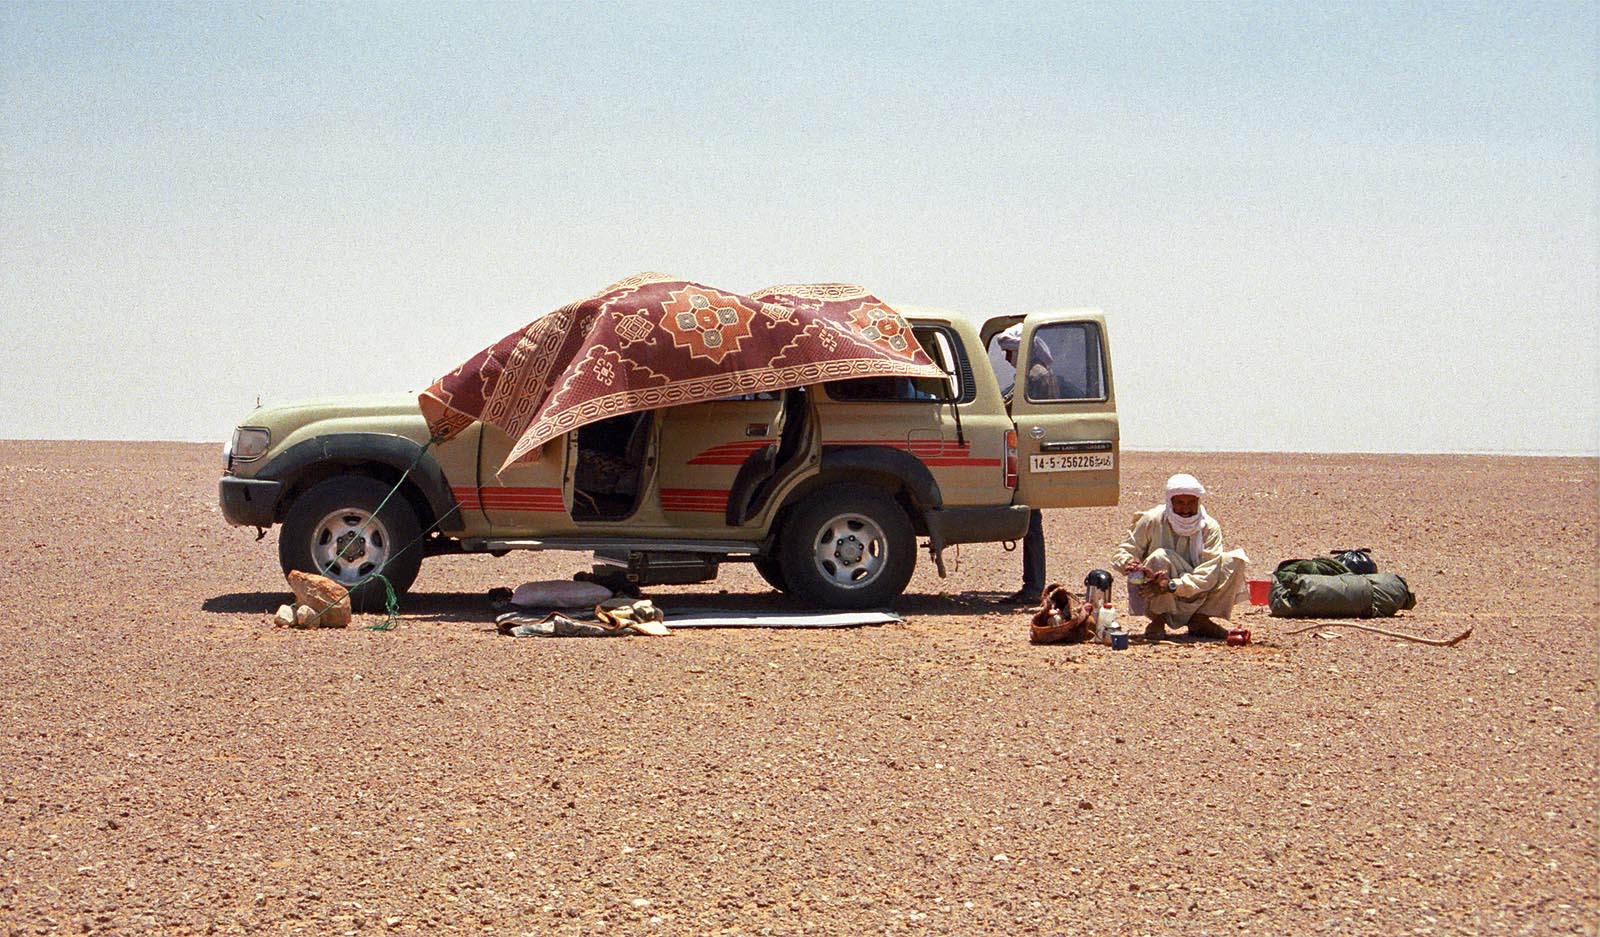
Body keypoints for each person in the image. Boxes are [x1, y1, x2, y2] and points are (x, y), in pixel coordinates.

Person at [1112, 473, 1250, 640]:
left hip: (1196, 587)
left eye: (1191, 502)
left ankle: (1200, 619)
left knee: (1234, 561)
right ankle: (1159, 618)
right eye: (1180, 503)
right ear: (1170, 502)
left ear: (1198, 502)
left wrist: (1171, 585)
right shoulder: (1152, 520)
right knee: (1160, 557)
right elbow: (1126, 550)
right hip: (1157, 587)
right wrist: (1128, 562)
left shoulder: (1209, 527)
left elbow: (1208, 574)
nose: (1186, 509)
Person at [995, 323, 1052, 605]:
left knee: (1032, 522)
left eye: (1010, 352)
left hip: (1026, 455)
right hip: (1021, 454)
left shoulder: (1036, 377)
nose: (1007, 359)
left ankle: (1034, 586)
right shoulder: (1028, 377)